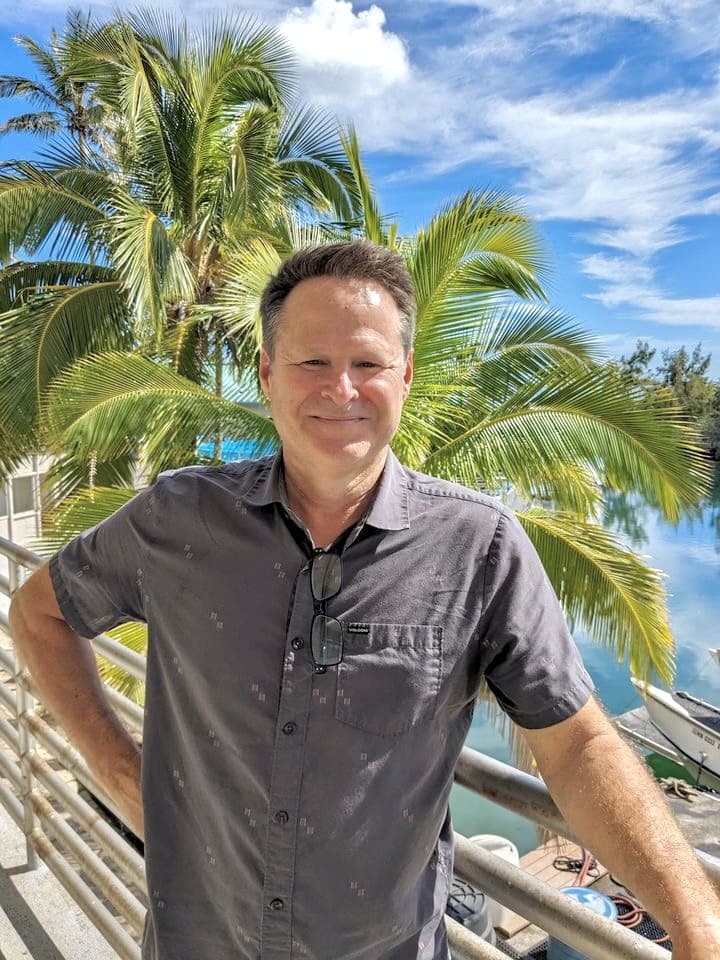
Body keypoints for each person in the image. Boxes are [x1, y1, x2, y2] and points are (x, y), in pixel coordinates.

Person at [9, 240, 720, 960]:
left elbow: (577, 747)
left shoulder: (480, 548)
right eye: (312, 362)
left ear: (405, 377)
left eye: (369, 364)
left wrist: (695, 926)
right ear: (266, 373)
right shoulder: (178, 518)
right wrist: (117, 768)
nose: (340, 390)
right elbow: (39, 612)